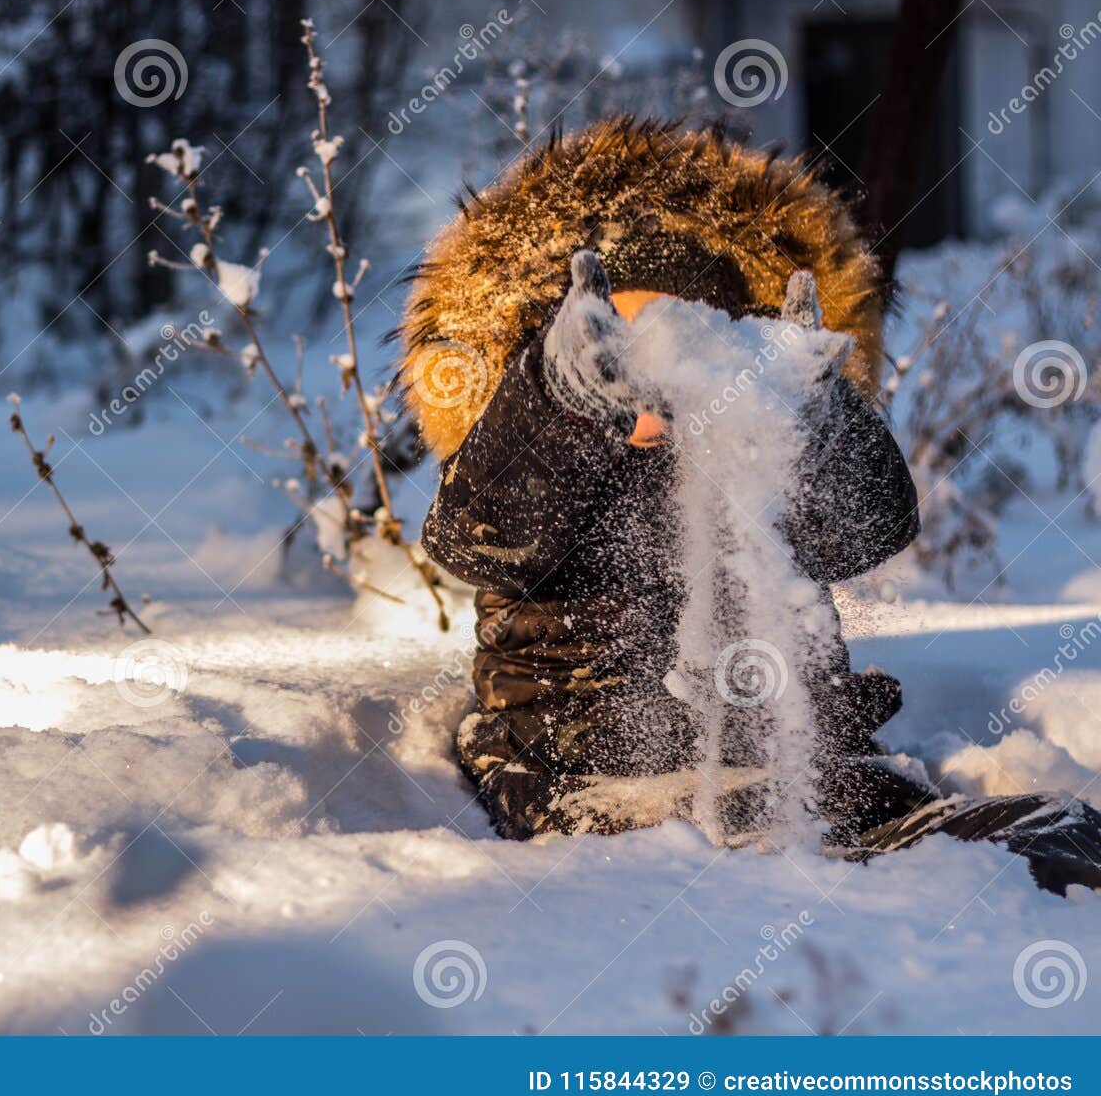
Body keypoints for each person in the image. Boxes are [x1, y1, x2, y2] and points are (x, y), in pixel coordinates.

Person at [397, 118, 1101, 893]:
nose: (650, 377)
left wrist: (815, 414)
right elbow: (479, 539)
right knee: (769, 875)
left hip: (806, 769)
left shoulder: (755, 442)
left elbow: (870, 529)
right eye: (620, 345)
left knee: (1058, 833)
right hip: (589, 778)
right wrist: (560, 401)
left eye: (684, 344)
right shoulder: (536, 435)